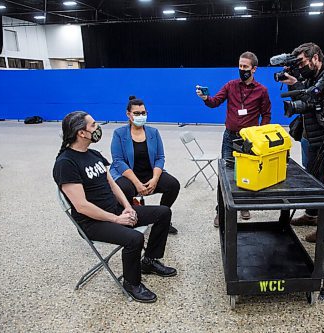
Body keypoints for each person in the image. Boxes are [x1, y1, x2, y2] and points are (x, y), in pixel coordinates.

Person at [53, 111, 177, 303]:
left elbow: (113, 185)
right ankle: (132, 283)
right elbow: (82, 206)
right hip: (92, 222)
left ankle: (149, 260)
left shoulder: (94, 154)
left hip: (115, 211)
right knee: (135, 238)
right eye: (93, 125)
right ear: (81, 133)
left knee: (163, 213)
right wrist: (117, 219)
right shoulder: (66, 163)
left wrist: (128, 207)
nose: (98, 128)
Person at [196, 51, 272, 227]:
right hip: (230, 138)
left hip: (249, 140)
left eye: (245, 66)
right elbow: (215, 101)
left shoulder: (262, 91)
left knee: (248, 174)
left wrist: (259, 134)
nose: (242, 69)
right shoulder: (230, 85)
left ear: (254, 69)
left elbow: (266, 114)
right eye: (240, 66)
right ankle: (220, 210)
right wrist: (205, 98)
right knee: (226, 175)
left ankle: (243, 205)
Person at [281, 42, 324, 243]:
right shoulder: (310, 77)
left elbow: (314, 100)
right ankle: (311, 214)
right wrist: (294, 83)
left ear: (315, 57)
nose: (300, 67)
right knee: (312, 179)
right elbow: (306, 97)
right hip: (310, 137)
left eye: (302, 62)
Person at [110, 96, 180, 235]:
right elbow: (118, 161)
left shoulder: (153, 132)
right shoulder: (119, 133)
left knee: (173, 185)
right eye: (136, 113)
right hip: (128, 175)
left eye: (143, 113)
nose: (140, 116)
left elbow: (160, 157)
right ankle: (131, 218)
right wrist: (137, 183)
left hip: (149, 173)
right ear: (128, 114)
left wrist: (154, 179)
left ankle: (161, 217)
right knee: (124, 189)